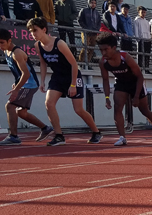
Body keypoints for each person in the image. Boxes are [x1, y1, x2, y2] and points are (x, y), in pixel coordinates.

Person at [30, 17, 102, 146]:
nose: (33, 34)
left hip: (72, 75)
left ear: (44, 29)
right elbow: (43, 63)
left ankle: (96, 132)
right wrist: (42, 81)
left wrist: (73, 85)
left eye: (35, 30)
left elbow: (74, 64)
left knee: (78, 109)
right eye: (30, 31)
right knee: (49, 103)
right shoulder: (37, 46)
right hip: (57, 77)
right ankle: (59, 135)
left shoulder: (59, 43)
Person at [96, 32, 152, 146]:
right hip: (121, 83)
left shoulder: (125, 57)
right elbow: (105, 80)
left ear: (114, 47)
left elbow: (140, 76)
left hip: (135, 83)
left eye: (106, 49)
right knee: (117, 108)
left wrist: (136, 96)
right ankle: (122, 137)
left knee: (144, 110)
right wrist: (107, 97)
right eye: (101, 50)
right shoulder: (103, 62)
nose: (103, 53)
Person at [0, 28, 52, 145]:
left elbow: (26, 74)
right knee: (21, 113)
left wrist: (16, 89)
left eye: (2, 43)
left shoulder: (17, 53)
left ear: (9, 41)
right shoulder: (7, 51)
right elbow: (18, 72)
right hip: (25, 84)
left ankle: (13, 136)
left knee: (10, 106)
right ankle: (45, 128)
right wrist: (16, 83)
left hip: (29, 85)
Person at [78, 0, 101, 66]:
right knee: (85, 47)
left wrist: (96, 29)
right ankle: (80, 63)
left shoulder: (97, 13)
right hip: (86, 32)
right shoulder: (84, 10)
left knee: (91, 49)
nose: (93, 4)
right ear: (89, 3)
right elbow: (79, 20)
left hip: (94, 33)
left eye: (95, 3)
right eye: (92, 3)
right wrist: (85, 28)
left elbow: (99, 23)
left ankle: (87, 63)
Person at [134, 6, 152, 73]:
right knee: (140, 55)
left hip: (147, 39)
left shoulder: (147, 21)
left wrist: (149, 38)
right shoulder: (136, 20)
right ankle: (140, 68)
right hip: (141, 40)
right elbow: (136, 30)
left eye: (144, 12)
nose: (143, 14)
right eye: (142, 12)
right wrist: (138, 39)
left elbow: (148, 31)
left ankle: (147, 69)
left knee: (147, 55)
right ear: (139, 12)